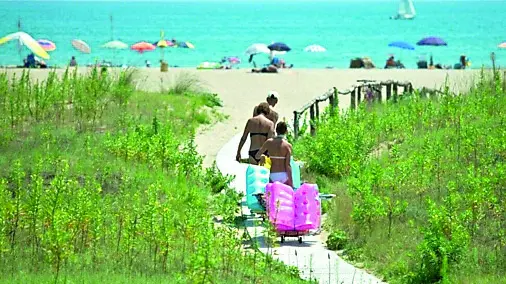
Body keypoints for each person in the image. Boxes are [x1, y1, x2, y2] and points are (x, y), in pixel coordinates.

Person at [255, 121, 293, 187]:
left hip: (273, 174)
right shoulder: (288, 146)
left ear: (276, 130)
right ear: (286, 131)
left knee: (272, 196)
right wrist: (291, 182)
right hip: (284, 175)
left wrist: (262, 156)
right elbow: (288, 165)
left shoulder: (269, 142)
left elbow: (257, 156)